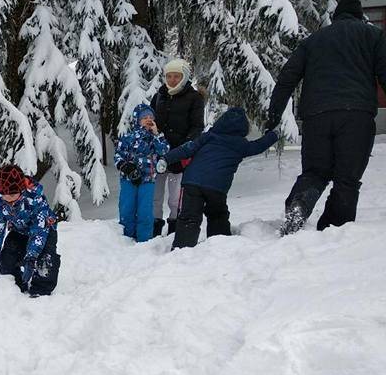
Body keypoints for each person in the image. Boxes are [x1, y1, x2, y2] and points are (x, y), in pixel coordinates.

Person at [266, 0, 384, 234]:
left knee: (314, 171)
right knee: (347, 178)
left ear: (335, 16)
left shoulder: (314, 41)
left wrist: (275, 112)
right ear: (360, 15)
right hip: (356, 116)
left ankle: (299, 204)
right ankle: (333, 229)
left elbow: (288, 76)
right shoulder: (373, 35)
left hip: (316, 116)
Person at [161, 107, 278, 249]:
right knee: (217, 214)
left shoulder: (208, 137)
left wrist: (167, 159)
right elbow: (259, 146)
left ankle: (181, 248)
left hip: (192, 182)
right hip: (216, 187)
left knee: (189, 217)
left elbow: (187, 149)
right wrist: (273, 135)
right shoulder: (241, 144)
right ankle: (219, 247)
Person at [0, 164, 60, 297]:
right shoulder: (1, 204)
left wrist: (31, 257)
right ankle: (16, 286)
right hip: (20, 231)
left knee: (45, 260)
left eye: (12, 194)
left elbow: (39, 231)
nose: (8, 198)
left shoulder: (35, 199)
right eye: (4, 194)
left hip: (44, 231)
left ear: (21, 189)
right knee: (6, 259)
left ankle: (41, 291)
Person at [150, 58, 206, 237]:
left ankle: (174, 229)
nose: (172, 80)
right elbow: (150, 121)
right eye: (169, 76)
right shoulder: (159, 95)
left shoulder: (194, 97)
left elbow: (197, 127)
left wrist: (186, 148)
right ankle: (154, 229)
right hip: (158, 154)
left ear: (185, 77)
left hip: (179, 156)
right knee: (155, 197)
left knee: (175, 199)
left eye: (177, 76)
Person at [114, 103, 170, 243]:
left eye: (150, 117)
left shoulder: (155, 138)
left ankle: (144, 242)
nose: (148, 119)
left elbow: (164, 151)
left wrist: (157, 134)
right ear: (137, 120)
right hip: (128, 180)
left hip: (148, 180)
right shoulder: (127, 137)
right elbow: (118, 156)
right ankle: (127, 240)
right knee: (127, 209)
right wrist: (126, 167)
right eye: (144, 117)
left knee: (145, 212)